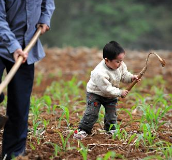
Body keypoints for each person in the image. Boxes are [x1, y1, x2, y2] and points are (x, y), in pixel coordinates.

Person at [0, 0, 55, 159]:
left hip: (25, 47)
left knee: (19, 105)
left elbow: (48, 2)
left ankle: (13, 154)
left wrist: (45, 18)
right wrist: (13, 46)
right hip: (5, 42)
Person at [73, 41, 140, 140]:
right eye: (117, 61)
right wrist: (120, 92)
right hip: (96, 94)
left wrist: (131, 78)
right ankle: (83, 130)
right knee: (92, 113)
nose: (120, 63)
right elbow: (106, 89)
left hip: (111, 94)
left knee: (112, 113)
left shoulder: (120, 65)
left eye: (121, 60)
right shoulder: (100, 73)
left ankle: (111, 129)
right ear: (107, 60)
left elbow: (124, 75)